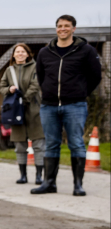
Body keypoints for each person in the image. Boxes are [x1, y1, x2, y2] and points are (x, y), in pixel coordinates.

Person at [32, 14, 103, 196]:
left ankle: (78, 185)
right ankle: (49, 183)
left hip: (75, 105)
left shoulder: (86, 51)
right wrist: (48, 91)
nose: (62, 29)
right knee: (51, 144)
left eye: (66, 26)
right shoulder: (45, 52)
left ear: (73, 29)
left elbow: (95, 76)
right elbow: (41, 76)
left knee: (76, 143)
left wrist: (80, 92)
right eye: (59, 26)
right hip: (49, 106)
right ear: (56, 28)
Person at [0, 43, 45, 185]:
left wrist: (23, 100)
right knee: (19, 145)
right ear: (13, 55)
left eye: (22, 52)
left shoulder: (35, 67)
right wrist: (9, 90)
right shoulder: (9, 70)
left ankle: (38, 176)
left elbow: (35, 85)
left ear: (28, 54)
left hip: (34, 110)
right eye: (17, 52)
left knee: (38, 144)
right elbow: (1, 86)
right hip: (15, 111)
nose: (20, 54)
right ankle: (23, 175)